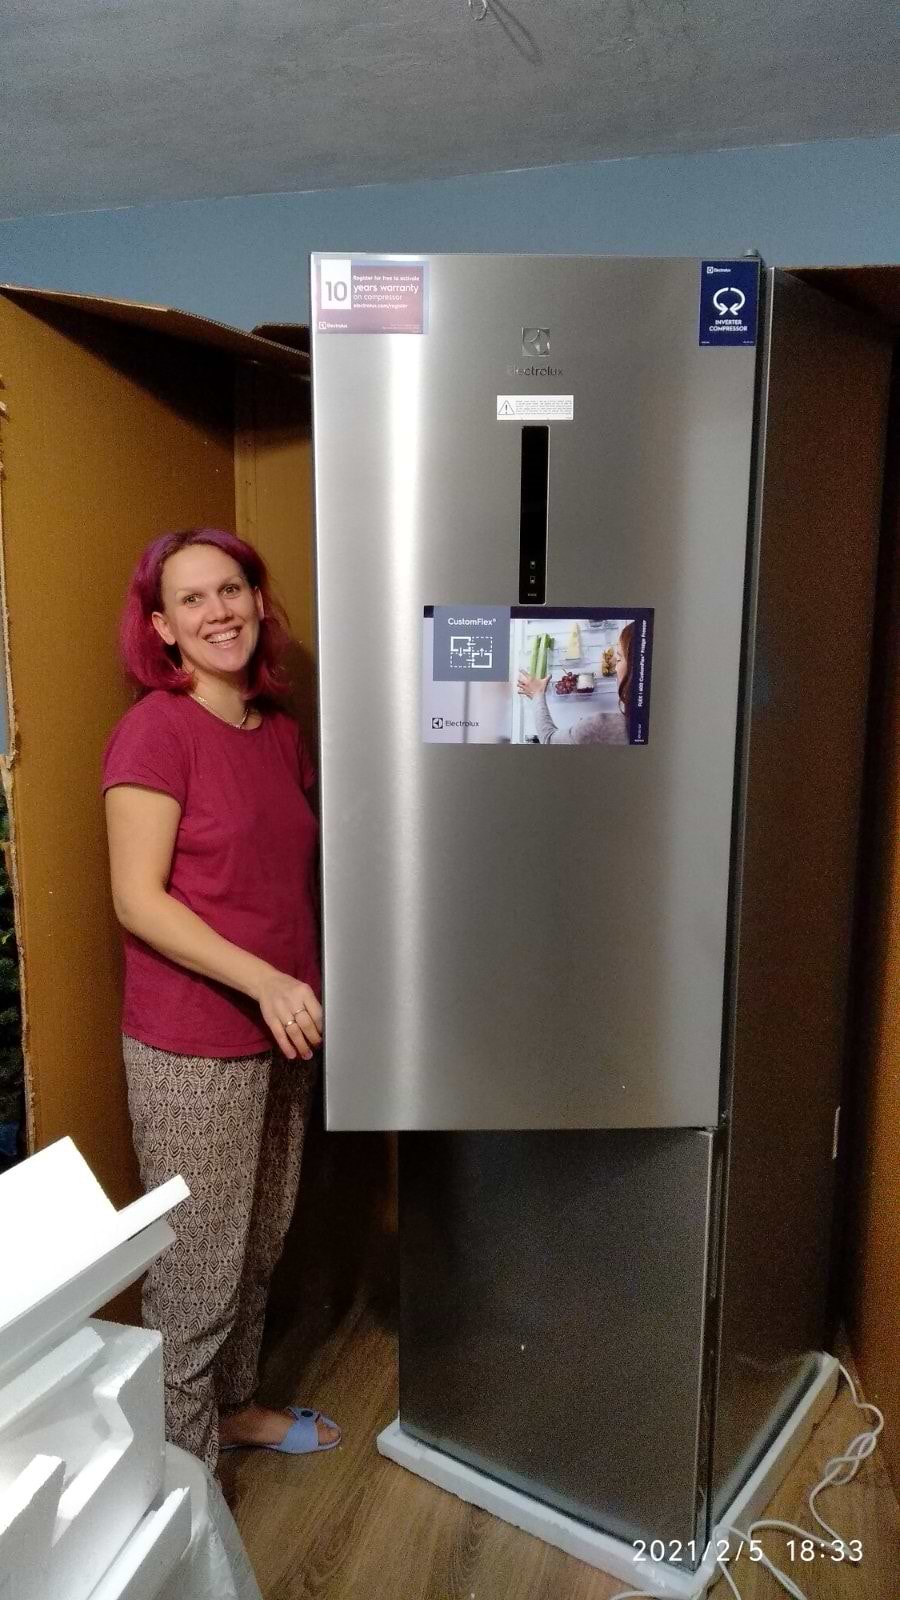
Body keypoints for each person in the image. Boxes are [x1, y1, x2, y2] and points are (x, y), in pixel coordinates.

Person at [102, 526, 340, 1473]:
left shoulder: (277, 730)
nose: (218, 612)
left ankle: (233, 1411)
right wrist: (266, 981)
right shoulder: (157, 731)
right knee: (195, 1272)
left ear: (257, 600)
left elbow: (286, 879)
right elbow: (138, 898)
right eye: (191, 599)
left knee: (258, 1244)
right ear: (162, 627)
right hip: (193, 1042)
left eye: (231, 589)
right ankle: (184, 1492)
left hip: (284, 1029)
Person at [518, 621, 634, 745]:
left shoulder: (601, 726)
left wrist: (538, 694)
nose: (615, 668)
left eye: (619, 659)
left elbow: (549, 740)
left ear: (634, 669)